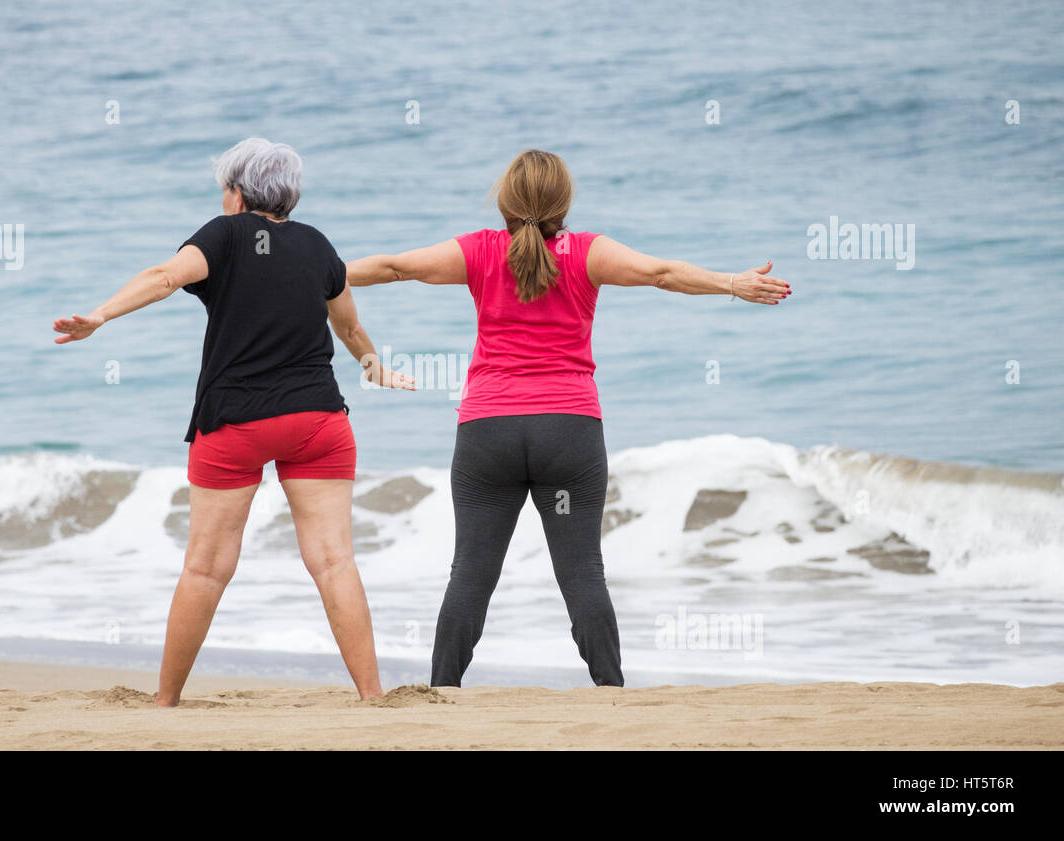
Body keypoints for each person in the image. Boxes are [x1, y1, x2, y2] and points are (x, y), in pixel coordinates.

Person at [346, 149, 790, 686]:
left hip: (489, 432)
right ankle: (610, 689)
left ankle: (443, 692)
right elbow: (663, 274)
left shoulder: (480, 251)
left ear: (505, 201)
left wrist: (316, 275)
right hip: (569, 431)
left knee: (470, 574)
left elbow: (395, 267)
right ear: (565, 202)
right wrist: (731, 283)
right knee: (582, 572)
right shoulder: (587, 253)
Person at [53, 137, 413, 704]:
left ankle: (166, 700)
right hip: (317, 419)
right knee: (333, 560)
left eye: (224, 187)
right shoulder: (318, 245)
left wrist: (100, 315)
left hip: (235, 424)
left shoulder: (223, 234)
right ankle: (372, 695)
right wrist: (376, 368)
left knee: (206, 569)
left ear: (238, 193)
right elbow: (346, 325)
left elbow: (164, 276)